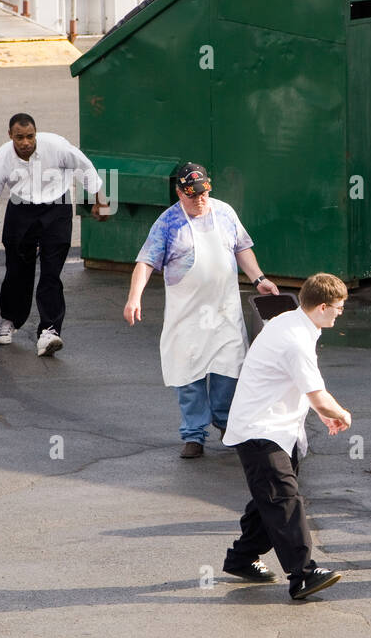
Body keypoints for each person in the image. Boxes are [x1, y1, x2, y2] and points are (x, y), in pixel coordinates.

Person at [123, 163, 279, 459]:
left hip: (224, 311)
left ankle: (224, 421)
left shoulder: (225, 212)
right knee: (187, 374)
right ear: (179, 192)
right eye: (192, 195)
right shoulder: (168, 223)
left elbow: (241, 248)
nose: (200, 199)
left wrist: (259, 278)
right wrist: (134, 298)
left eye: (204, 193)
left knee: (229, 368)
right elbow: (145, 262)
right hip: (187, 316)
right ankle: (194, 435)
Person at [220, 273, 351, 601]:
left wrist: (320, 413)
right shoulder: (295, 338)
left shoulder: (292, 322)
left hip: (275, 429)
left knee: (269, 498)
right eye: (338, 307)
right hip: (260, 431)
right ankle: (303, 574)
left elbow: (295, 382)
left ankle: (241, 557)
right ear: (322, 306)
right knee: (284, 500)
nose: (340, 312)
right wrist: (340, 413)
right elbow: (318, 395)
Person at [0, 112, 110, 356]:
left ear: (36, 133)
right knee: (17, 267)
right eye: (19, 137)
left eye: (30, 136)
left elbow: (85, 168)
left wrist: (101, 201)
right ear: (10, 135)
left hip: (57, 206)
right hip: (21, 208)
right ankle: (10, 319)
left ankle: (50, 330)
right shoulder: (2, 157)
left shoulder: (55, 146)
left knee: (51, 270)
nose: (25, 142)